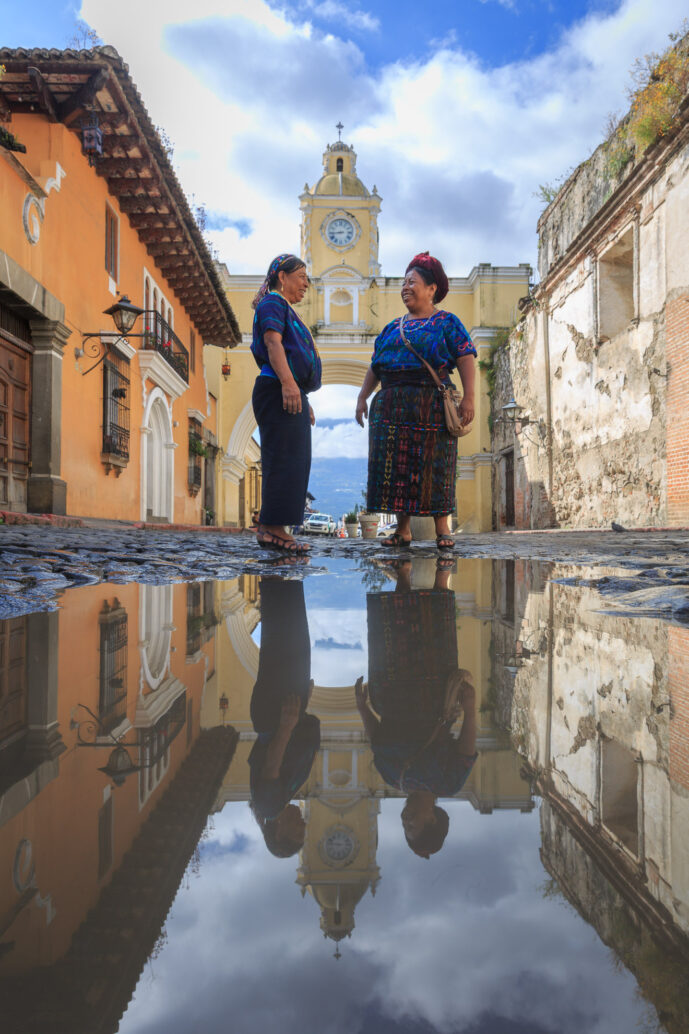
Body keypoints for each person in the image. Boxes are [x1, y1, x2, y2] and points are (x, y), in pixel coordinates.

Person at [355, 559, 477, 858]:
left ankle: (403, 575)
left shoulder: (391, 778)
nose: (405, 821)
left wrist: (362, 708)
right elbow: (465, 749)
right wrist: (470, 708)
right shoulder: (449, 783)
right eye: (413, 826)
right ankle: (442, 574)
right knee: (437, 635)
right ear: (432, 820)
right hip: (430, 696)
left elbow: (377, 738)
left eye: (404, 827)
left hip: (392, 693)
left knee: (395, 632)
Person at [355, 252, 477, 551]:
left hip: (430, 403)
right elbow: (376, 365)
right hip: (390, 405)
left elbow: (465, 356)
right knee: (396, 468)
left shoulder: (447, 322)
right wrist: (362, 397)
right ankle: (403, 530)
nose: (405, 287)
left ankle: (442, 529)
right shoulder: (391, 327)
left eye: (412, 282)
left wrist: (469, 397)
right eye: (404, 283)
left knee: (436, 465)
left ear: (432, 288)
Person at [251, 254, 322, 554]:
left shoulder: (283, 307)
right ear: (282, 276)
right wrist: (289, 384)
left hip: (285, 388)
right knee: (283, 458)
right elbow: (273, 343)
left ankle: (273, 527)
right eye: (301, 276)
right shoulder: (273, 303)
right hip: (276, 387)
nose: (306, 283)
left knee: (294, 458)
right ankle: (273, 528)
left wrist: (301, 395)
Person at [249, 577, 320, 857]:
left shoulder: (269, 806)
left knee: (283, 640)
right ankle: (283, 578)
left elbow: (272, 766)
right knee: (291, 639)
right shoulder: (280, 801)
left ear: (279, 833)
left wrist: (287, 726)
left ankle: (278, 577)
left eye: (297, 831)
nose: (303, 824)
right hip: (284, 714)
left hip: (276, 716)